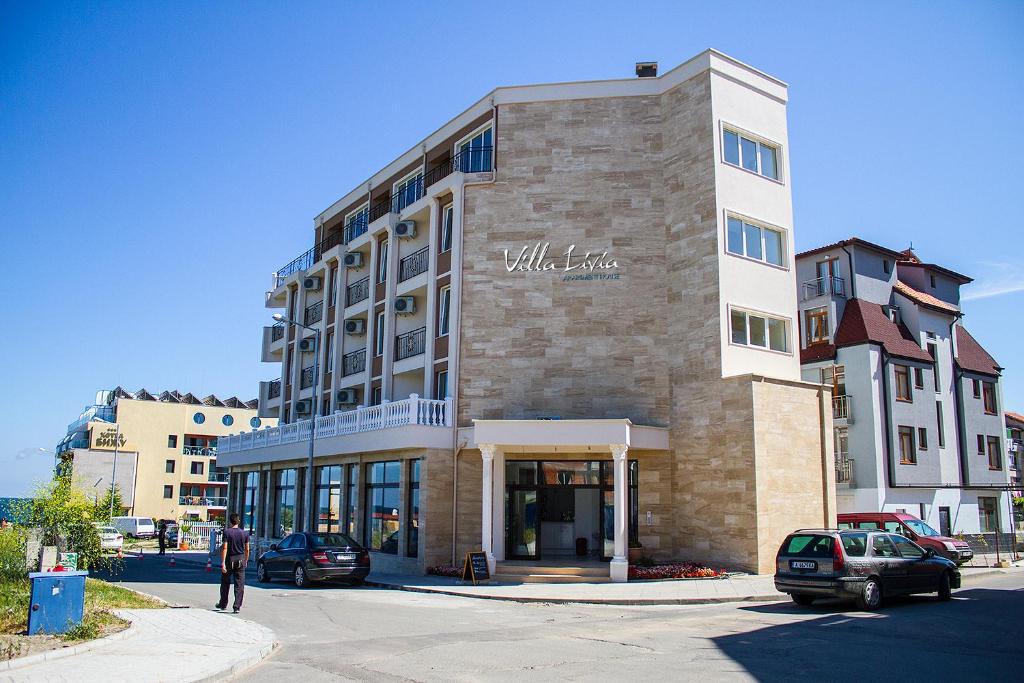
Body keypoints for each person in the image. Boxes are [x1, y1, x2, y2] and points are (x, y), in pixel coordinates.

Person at [216, 513, 249, 614]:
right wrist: (246, 560)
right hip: (240, 559)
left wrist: (223, 562)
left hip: (229, 559)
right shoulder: (245, 534)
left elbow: (224, 547)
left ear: (230, 522)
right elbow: (247, 549)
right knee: (239, 584)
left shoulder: (227, 532)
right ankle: (237, 606)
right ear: (238, 521)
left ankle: (223, 603)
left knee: (225, 582)